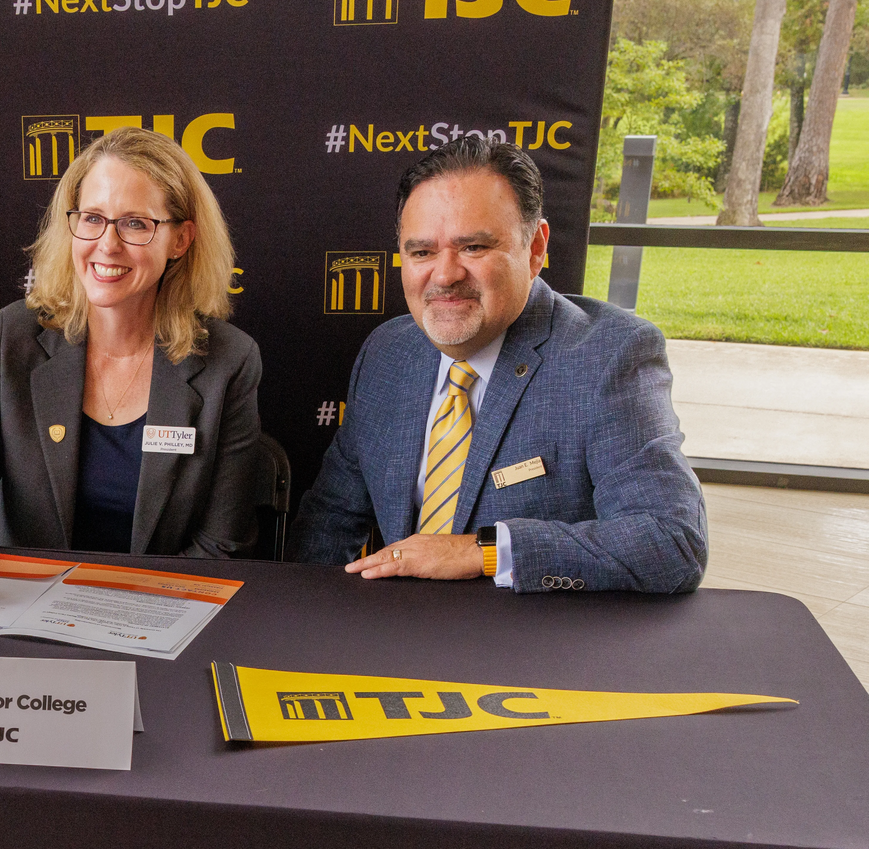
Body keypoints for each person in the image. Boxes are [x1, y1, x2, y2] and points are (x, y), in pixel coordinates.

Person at [291, 138, 707, 593]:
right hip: (399, 638)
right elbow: (330, 520)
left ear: (535, 248)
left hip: (535, 650)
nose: (445, 274)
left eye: (472, 247)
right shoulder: (388, 353)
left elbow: (671, 542)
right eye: (422, 252)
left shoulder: (609, 355)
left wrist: (480, 552)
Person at [0, 126, 262, 602]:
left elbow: (222, 546)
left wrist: (123, 616)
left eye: (135, 223)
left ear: (181, 239)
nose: (107, 244)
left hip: (157, 619)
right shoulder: (14, 337)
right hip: (13, 606)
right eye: (92, 218)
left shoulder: (228, 362)